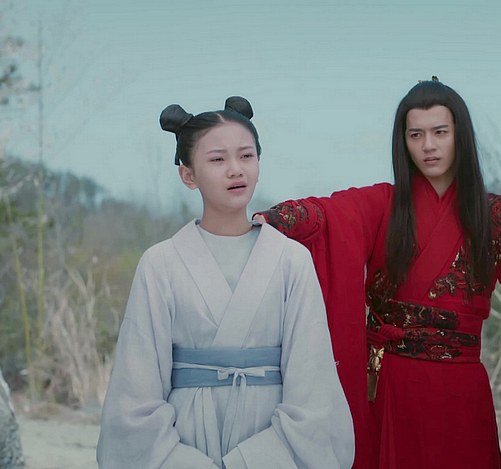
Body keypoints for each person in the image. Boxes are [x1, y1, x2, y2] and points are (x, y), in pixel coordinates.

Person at [255, 78, 501, 468]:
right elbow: (328, 217)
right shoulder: (384, 205)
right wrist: (274, 220)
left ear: (460, 135)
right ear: (403, 141)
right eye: (415, 134)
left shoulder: (496, 217)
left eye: (440, 132)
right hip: (390, 385)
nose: (428, 145)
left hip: (460, 394)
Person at [97, 97, 354, 468]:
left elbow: (313, 388)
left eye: (246, 156)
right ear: (188, 175)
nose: (236, 170)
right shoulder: (160, 264)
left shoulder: (292, 261)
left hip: (275, 441)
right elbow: (135, 394)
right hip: (183, 442)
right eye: (217, 160)